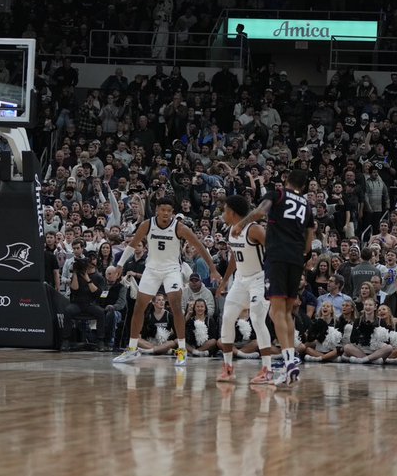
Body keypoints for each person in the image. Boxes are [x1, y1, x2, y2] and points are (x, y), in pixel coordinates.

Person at [111, 196, 220, 367]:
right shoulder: (147, 224)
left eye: (169, 211)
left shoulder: (180, 227)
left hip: (172, 270)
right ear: (157, 210)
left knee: (176, 307)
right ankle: (132, 349)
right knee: (139, 307)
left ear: (173, 212)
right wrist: (120, 264)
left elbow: (199, 246)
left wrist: (213, 269)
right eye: (163, 210)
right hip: (151, 270)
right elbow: (132, 245)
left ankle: (182, 350)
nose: (166, 213)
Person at [233, 165, 315, 387]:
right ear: (304, 186)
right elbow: (309, 243)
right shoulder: (307, 205)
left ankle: (289, 364)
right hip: (296, 259)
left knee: (276, 311)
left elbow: (260, 212)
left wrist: (241, 224)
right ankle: (291, 362)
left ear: (286, 180)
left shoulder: (277, 194)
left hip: (278, 257)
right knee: (286, 312)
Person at [215, 194, 272, 384]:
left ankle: (267, 369)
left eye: (224, 210)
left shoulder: (254, 229)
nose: (223, 213)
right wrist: (224, 281)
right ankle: (228, 368)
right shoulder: (232, 230)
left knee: (257, 319)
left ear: (232, 212)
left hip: (260, 279)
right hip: (240, 280)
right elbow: (235, 256)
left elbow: (273, 250)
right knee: (227, 318)